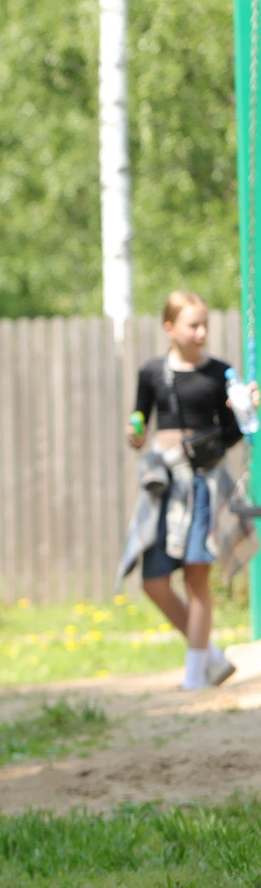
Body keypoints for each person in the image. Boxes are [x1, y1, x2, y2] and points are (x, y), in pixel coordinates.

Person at [121, 289, 255, 689]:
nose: (201, 333)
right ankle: (210, 656)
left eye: (205, 325)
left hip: (204, 484)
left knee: (197, 577)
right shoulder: (152, 373)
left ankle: (195, 677)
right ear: (170, 328)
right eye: (192, 325)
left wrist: (245, 411)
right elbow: (139, 420)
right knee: (153, 582)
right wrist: (135, 434)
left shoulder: (220, 374)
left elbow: (233, 435)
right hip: (164, 485)